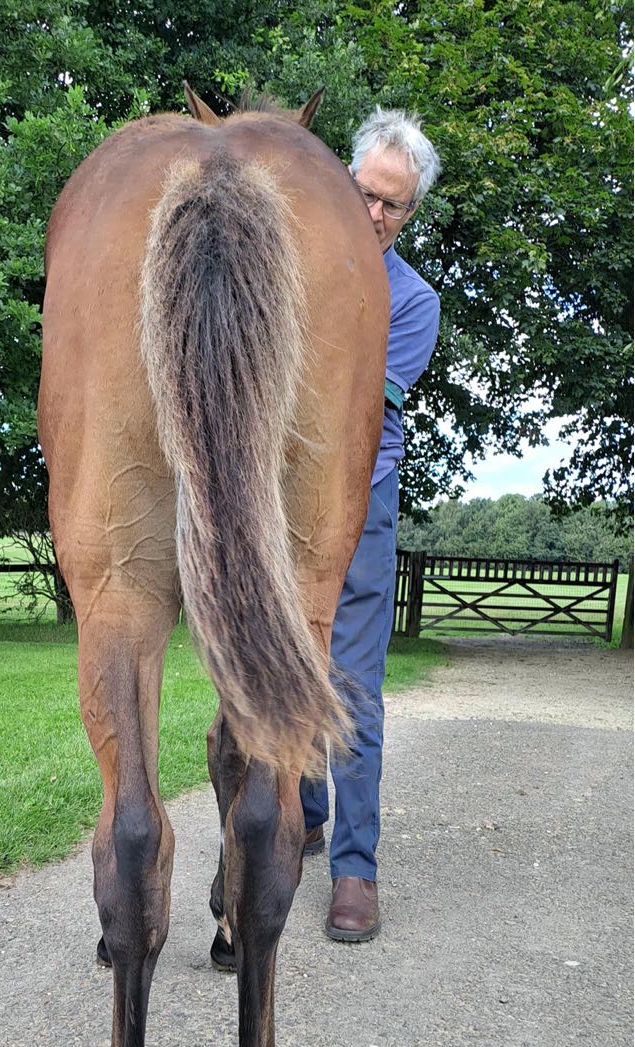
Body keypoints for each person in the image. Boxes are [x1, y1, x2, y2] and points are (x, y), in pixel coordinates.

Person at [300, 107, 442, 943]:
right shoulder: (293, 265)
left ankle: (355, 867)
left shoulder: (414, 302)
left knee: (351, 682)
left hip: (362, 497)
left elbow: (350, 405)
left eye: (393, 203)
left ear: (410, 212)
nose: (374, 212)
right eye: (365, 193)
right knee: (286, 665)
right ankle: (302, 813)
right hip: (282, 499)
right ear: (343, 181)